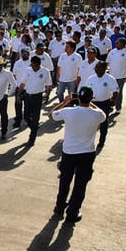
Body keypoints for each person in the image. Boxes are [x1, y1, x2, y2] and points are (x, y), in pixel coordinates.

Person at [48, 87, 106, 223]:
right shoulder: (97, 115)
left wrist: (65, 101)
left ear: (78, 98)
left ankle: (60, 206)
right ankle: (72, 213)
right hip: (87, 153)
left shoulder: (69, 112)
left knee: (65, 181)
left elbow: (51, 115)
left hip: (69, 152)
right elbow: (102, 113)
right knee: (80, 185)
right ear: (91, 99)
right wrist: (89, 103)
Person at [15, 55, 51, 146]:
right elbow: (23, 83)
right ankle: (34, 128)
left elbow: (48, 85)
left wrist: (47, 95)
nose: (33, 67)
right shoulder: (28, 70)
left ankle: (32, 139)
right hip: (28, 96)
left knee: (35, 118)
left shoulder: (45, 71)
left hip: (37, 97)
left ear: (39, 65)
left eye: (35, 65)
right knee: (26, 117)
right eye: (32, 65)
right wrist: (18, 95)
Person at [84, 62, 118, 152]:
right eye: (97, 68)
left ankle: (101, 141)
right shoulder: (91, 79)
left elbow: (115, 91)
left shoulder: (110, 79)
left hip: (104, 104)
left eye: (100, 68)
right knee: (90, 124)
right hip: (92, 103)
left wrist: (113, 100)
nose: (98, 70)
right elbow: (84, 89)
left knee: (103, 123)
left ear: (104, 69)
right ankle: (88, 142)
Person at [106, 38, 126, 114]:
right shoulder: (112, 52)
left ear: (123, 44)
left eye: (118, 43)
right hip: (111, 75)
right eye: (116, 42)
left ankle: (118, 107)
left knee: (118, 92)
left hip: (121, 76)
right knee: (110, 91)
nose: (116, 44)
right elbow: (107, 62)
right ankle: (111, 104)